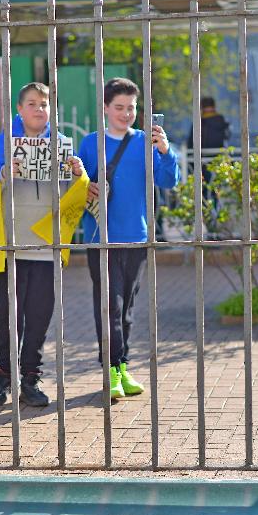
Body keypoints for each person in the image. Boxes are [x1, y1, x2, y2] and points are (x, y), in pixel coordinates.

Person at [0, 82, 86, 409]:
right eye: (33, 104)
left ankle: (31, 378)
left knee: (39, 315)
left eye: (45, 104)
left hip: (46, 244)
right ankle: (3, 376)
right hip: (10, 245)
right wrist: (4, 172)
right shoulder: (4, 144)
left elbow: (76, 191)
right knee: (7, 315)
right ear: (20, 109)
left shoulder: (63, 144)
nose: (40, 109)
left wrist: (79, 174)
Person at [79, 77, 181, 399]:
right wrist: (85, 187)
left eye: (132, 108)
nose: (126, 114)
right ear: (106, 108)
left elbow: (169, 181)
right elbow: (77, 187)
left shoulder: (145, 142)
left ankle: (123, 366)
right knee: (109, 304)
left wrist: (166, 151)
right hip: (101, 236)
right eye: (119, 107)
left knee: (128, 307)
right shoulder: (90, 143)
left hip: (137, 236)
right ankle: (110, 370)